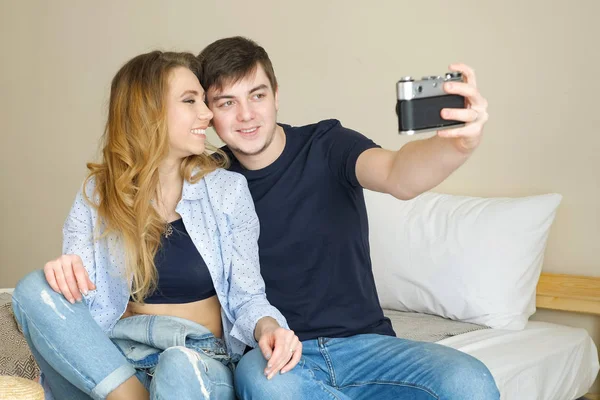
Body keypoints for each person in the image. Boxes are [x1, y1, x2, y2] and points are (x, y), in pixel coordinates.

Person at [197, 36, 500, 399]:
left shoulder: (328, 144)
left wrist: (456, 145)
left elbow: (397, 174)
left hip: (368, 347)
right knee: (265, 385)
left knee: (470, 380)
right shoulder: (209, 184)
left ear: (276, 95)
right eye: (227, 102)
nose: (246, 115)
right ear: (209, 114)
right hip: (277, 357)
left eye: (257, 95)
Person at [11, 50, 301, 400]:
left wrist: (270, 326)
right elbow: (86, 304)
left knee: (180, 365)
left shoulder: (227, 191)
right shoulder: (99, 194)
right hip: (117, 363)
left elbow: (247, 295)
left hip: (198, 360)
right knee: (33, 289)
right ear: (149, 112)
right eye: (190, 100)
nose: (207, 114)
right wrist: (65, 275)